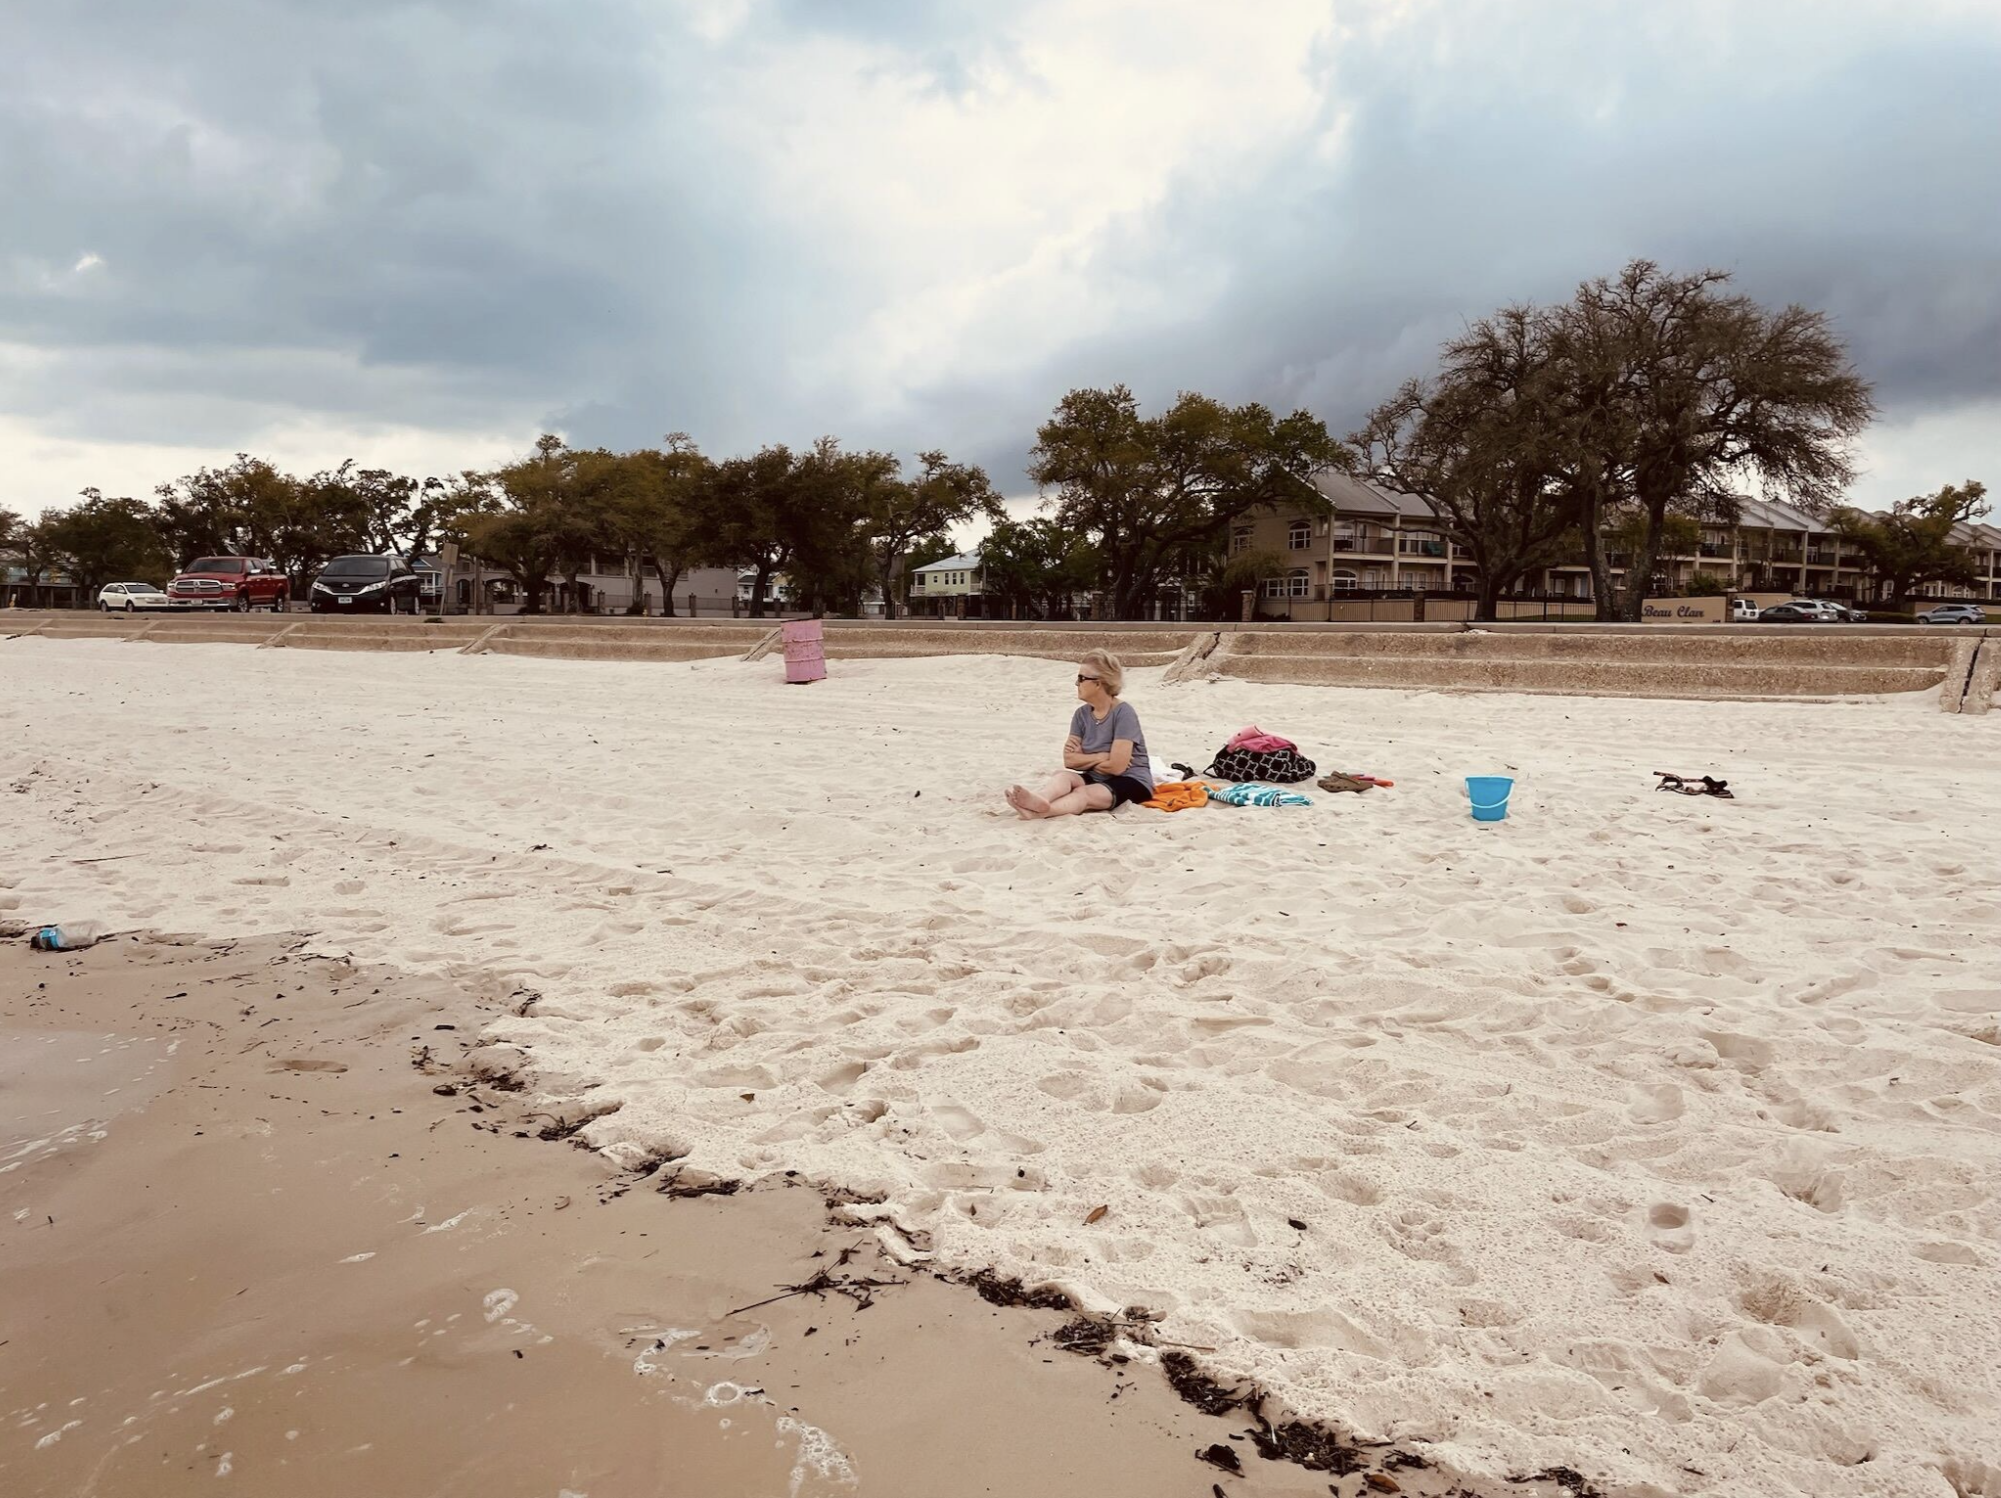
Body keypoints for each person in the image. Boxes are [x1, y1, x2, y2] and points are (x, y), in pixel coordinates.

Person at [1006, 650, 1154, 819]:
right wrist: (1101, 756)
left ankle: (1040, 813)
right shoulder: (1081, 715)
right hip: (1098, 777)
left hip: (1132, 781)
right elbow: (1069, 760)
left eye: (1081, 678)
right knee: (1063, 777)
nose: (1077, 683)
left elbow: (1117, 767)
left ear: (1098, 683)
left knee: (1083, 793)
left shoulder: (1123, 713)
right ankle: (1041, 800)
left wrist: (1085, 759)